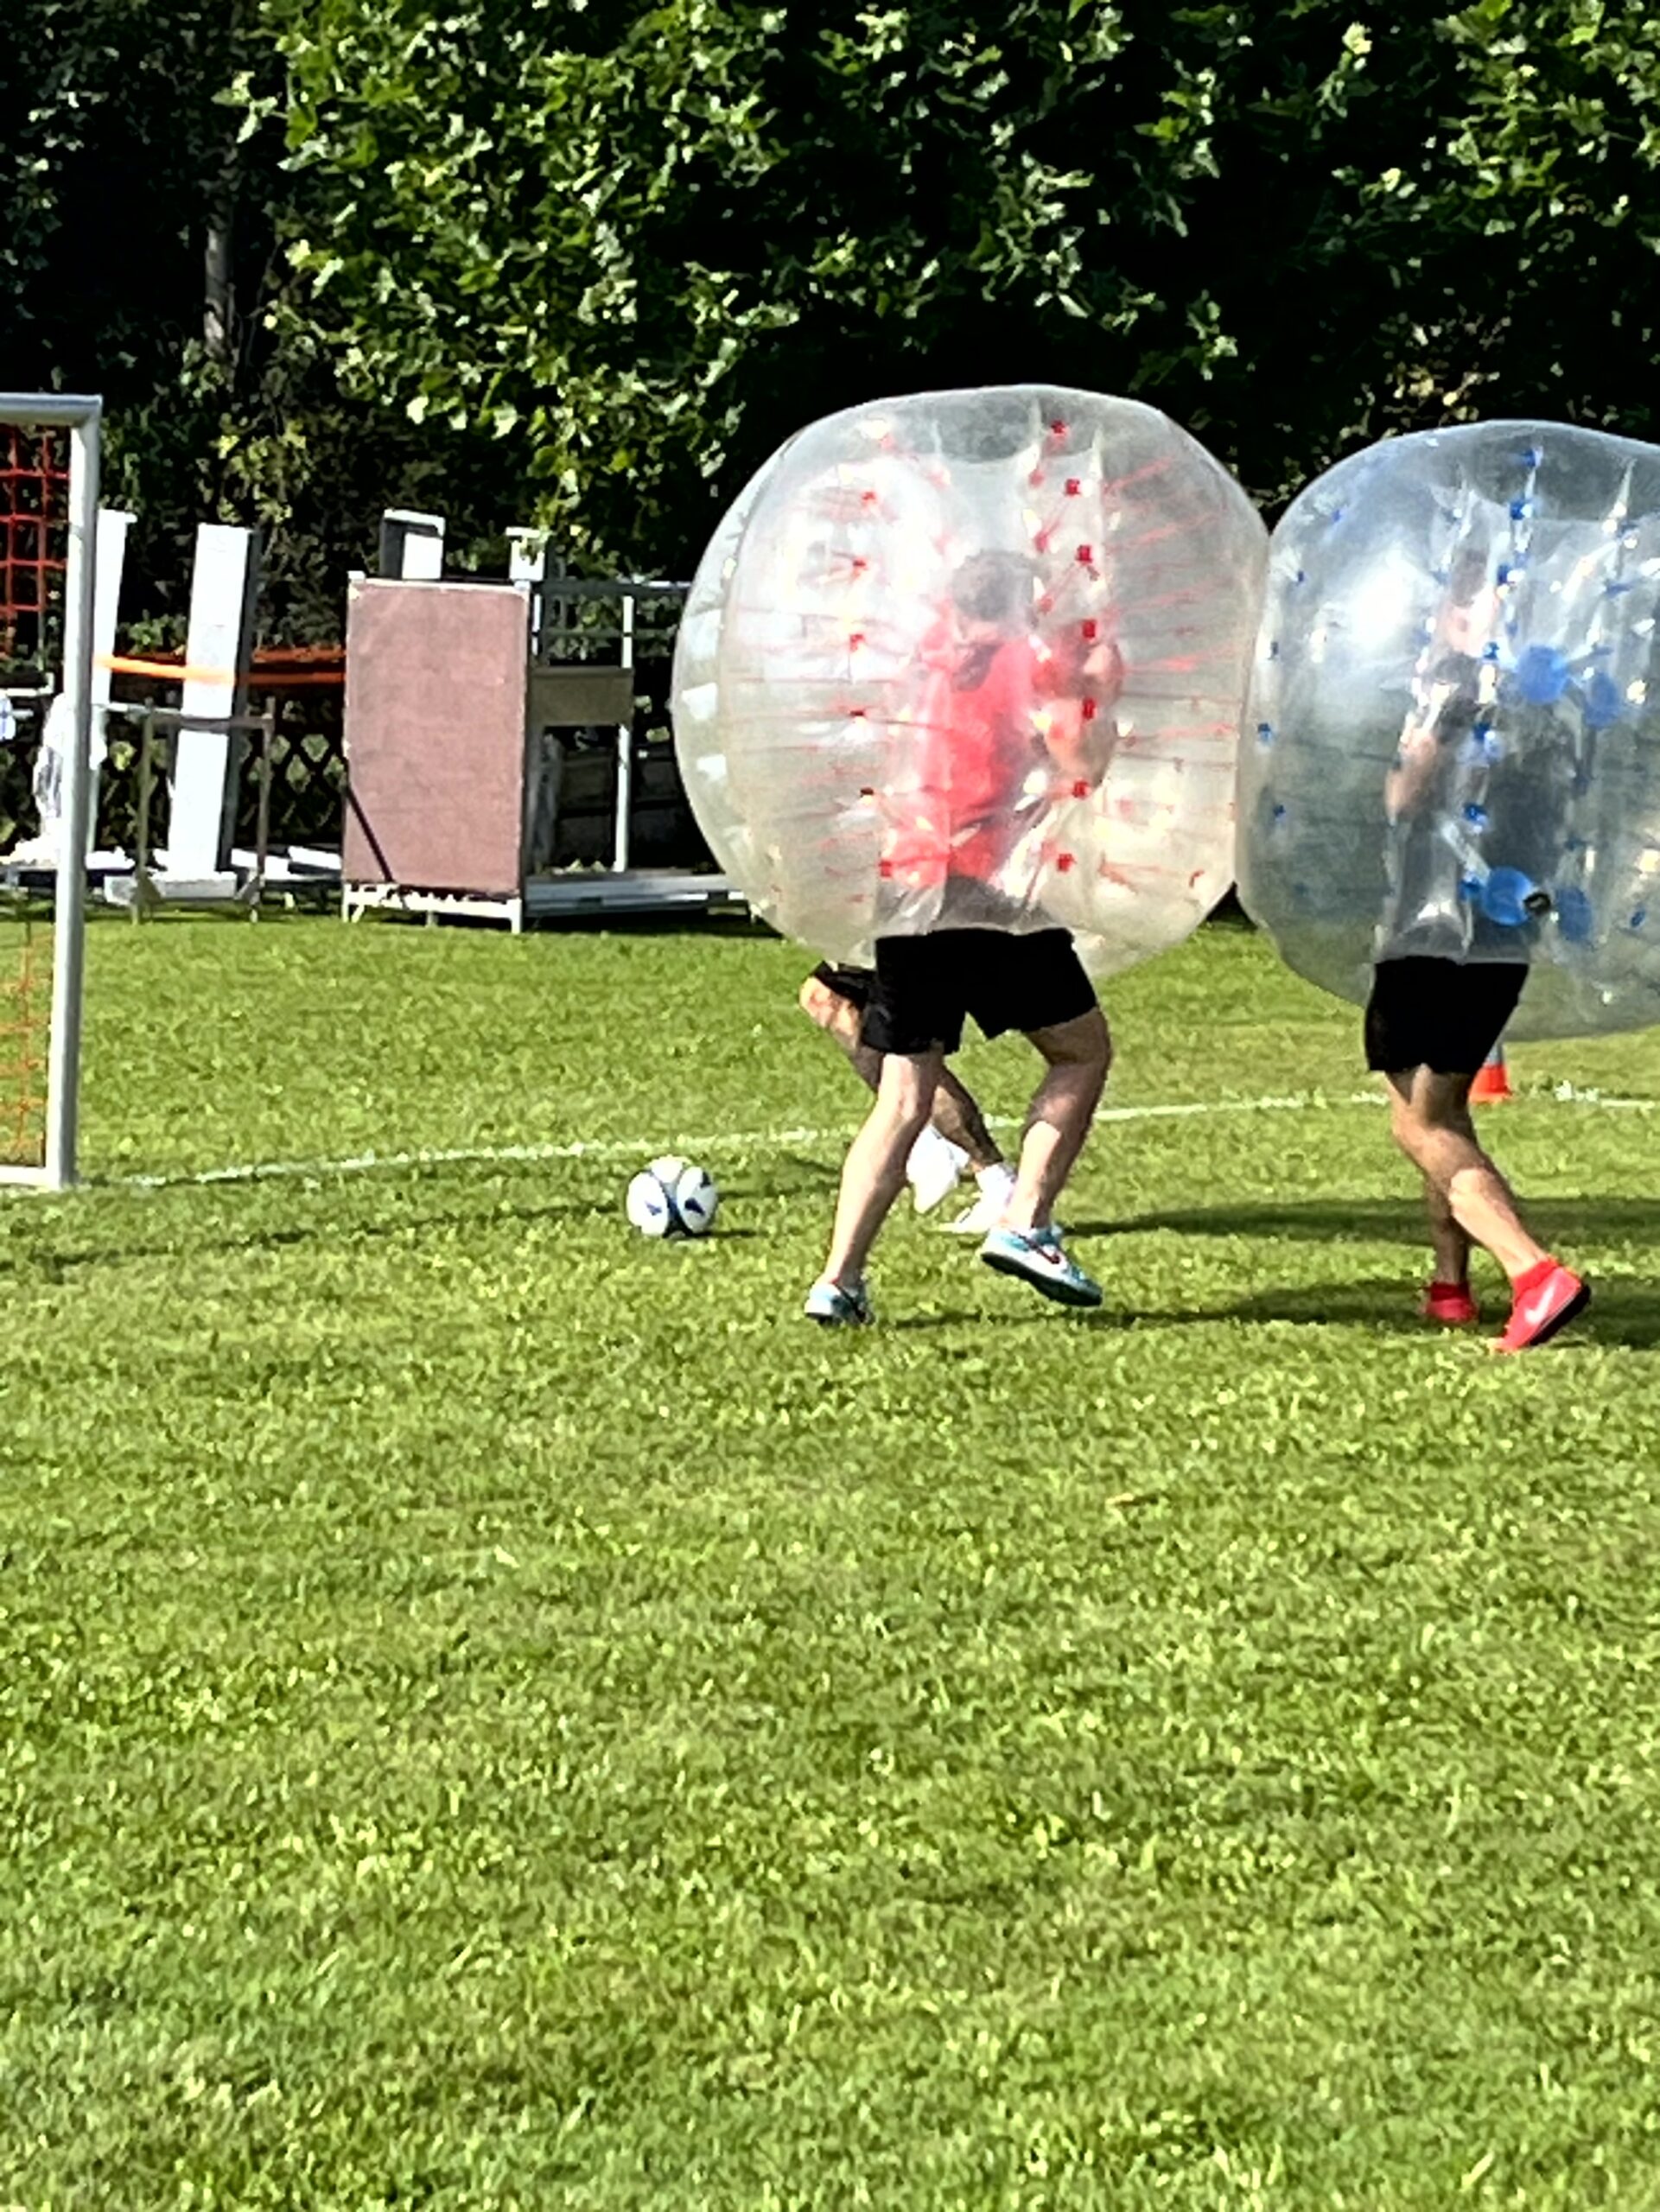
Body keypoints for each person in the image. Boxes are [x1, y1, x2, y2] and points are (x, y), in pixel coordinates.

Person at [804, 550, 1119, 1325]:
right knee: (1081, 1052)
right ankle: (1026, 1223)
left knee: (902, 1095)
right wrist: (1097, 696)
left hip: (904, 886)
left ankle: (838, 1281)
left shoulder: (924, 663)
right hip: (983, 890)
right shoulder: (1028, 663)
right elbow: (1081, 763)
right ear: (1021, 606)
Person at [1368, 550, 1589, 1353]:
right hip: (1507, 929)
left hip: (1430, 931)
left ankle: (1533, 1274)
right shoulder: (1554, 699)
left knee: (1418, 1124)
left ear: (1464, 611)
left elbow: (1404, 793)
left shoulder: (1453, 687)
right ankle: (1450, 1286)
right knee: (1441, 1109)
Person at [797, 959, 1016, 1230]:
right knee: (824, 997)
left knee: (913, 1052)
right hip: (879, 933)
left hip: (911, 934)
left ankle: (999, 1184)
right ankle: (926, 1141)